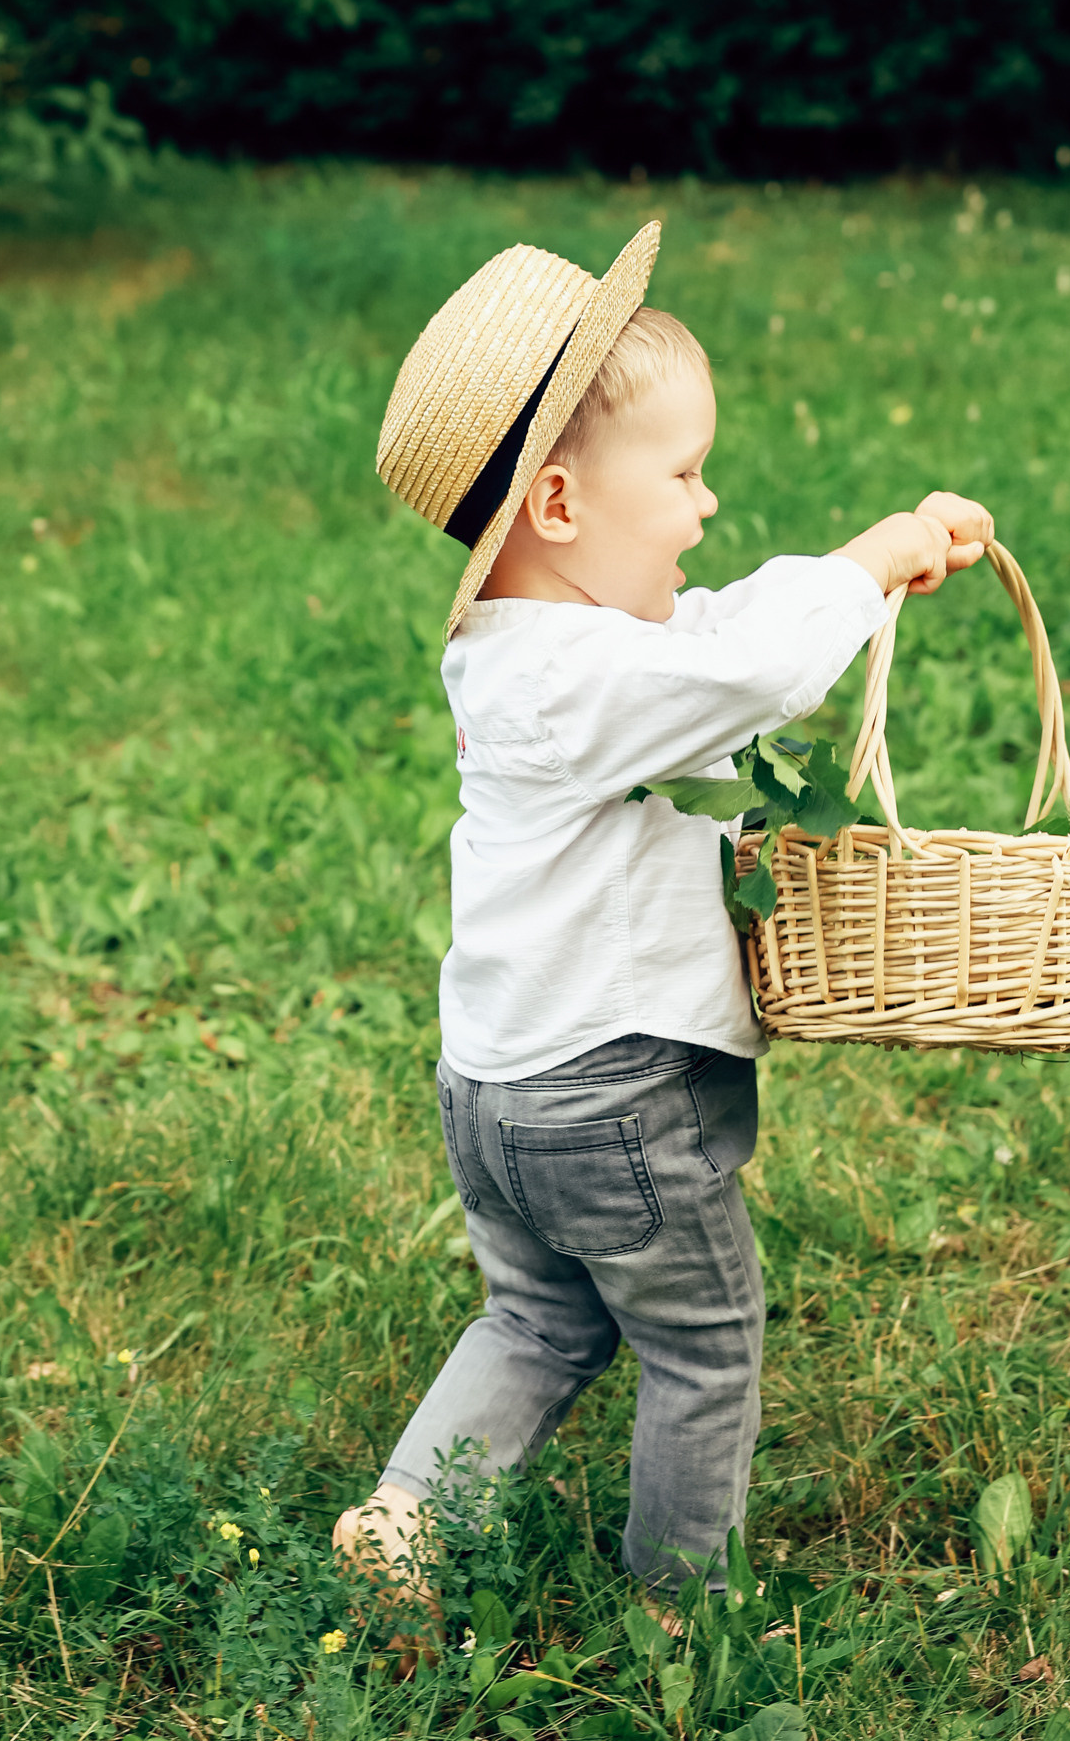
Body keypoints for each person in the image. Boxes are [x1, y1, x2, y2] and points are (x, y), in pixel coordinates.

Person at [340, 219, 991, 1608]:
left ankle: (407, 1519)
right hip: (609, 1098)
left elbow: (710, 657)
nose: (704, 507)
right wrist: (872, 556)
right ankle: (679, 1616)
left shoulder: (531, 661)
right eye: (684, 475)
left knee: (538, 1315)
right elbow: (748, 674)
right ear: (562, 509)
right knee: (703, 1345)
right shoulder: (582, 684)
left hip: (492, 1090)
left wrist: (857, 580)